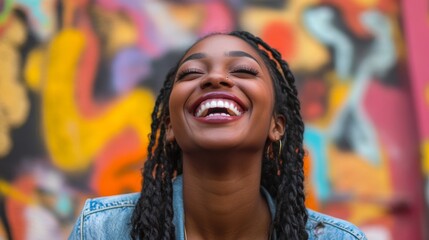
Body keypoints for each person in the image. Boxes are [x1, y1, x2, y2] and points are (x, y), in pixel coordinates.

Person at [69, 31, 367, 240]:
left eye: (242, 70)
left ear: (277, 126)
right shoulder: (101, 230)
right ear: (170, 125)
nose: (215, 77)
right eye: (191, 73)